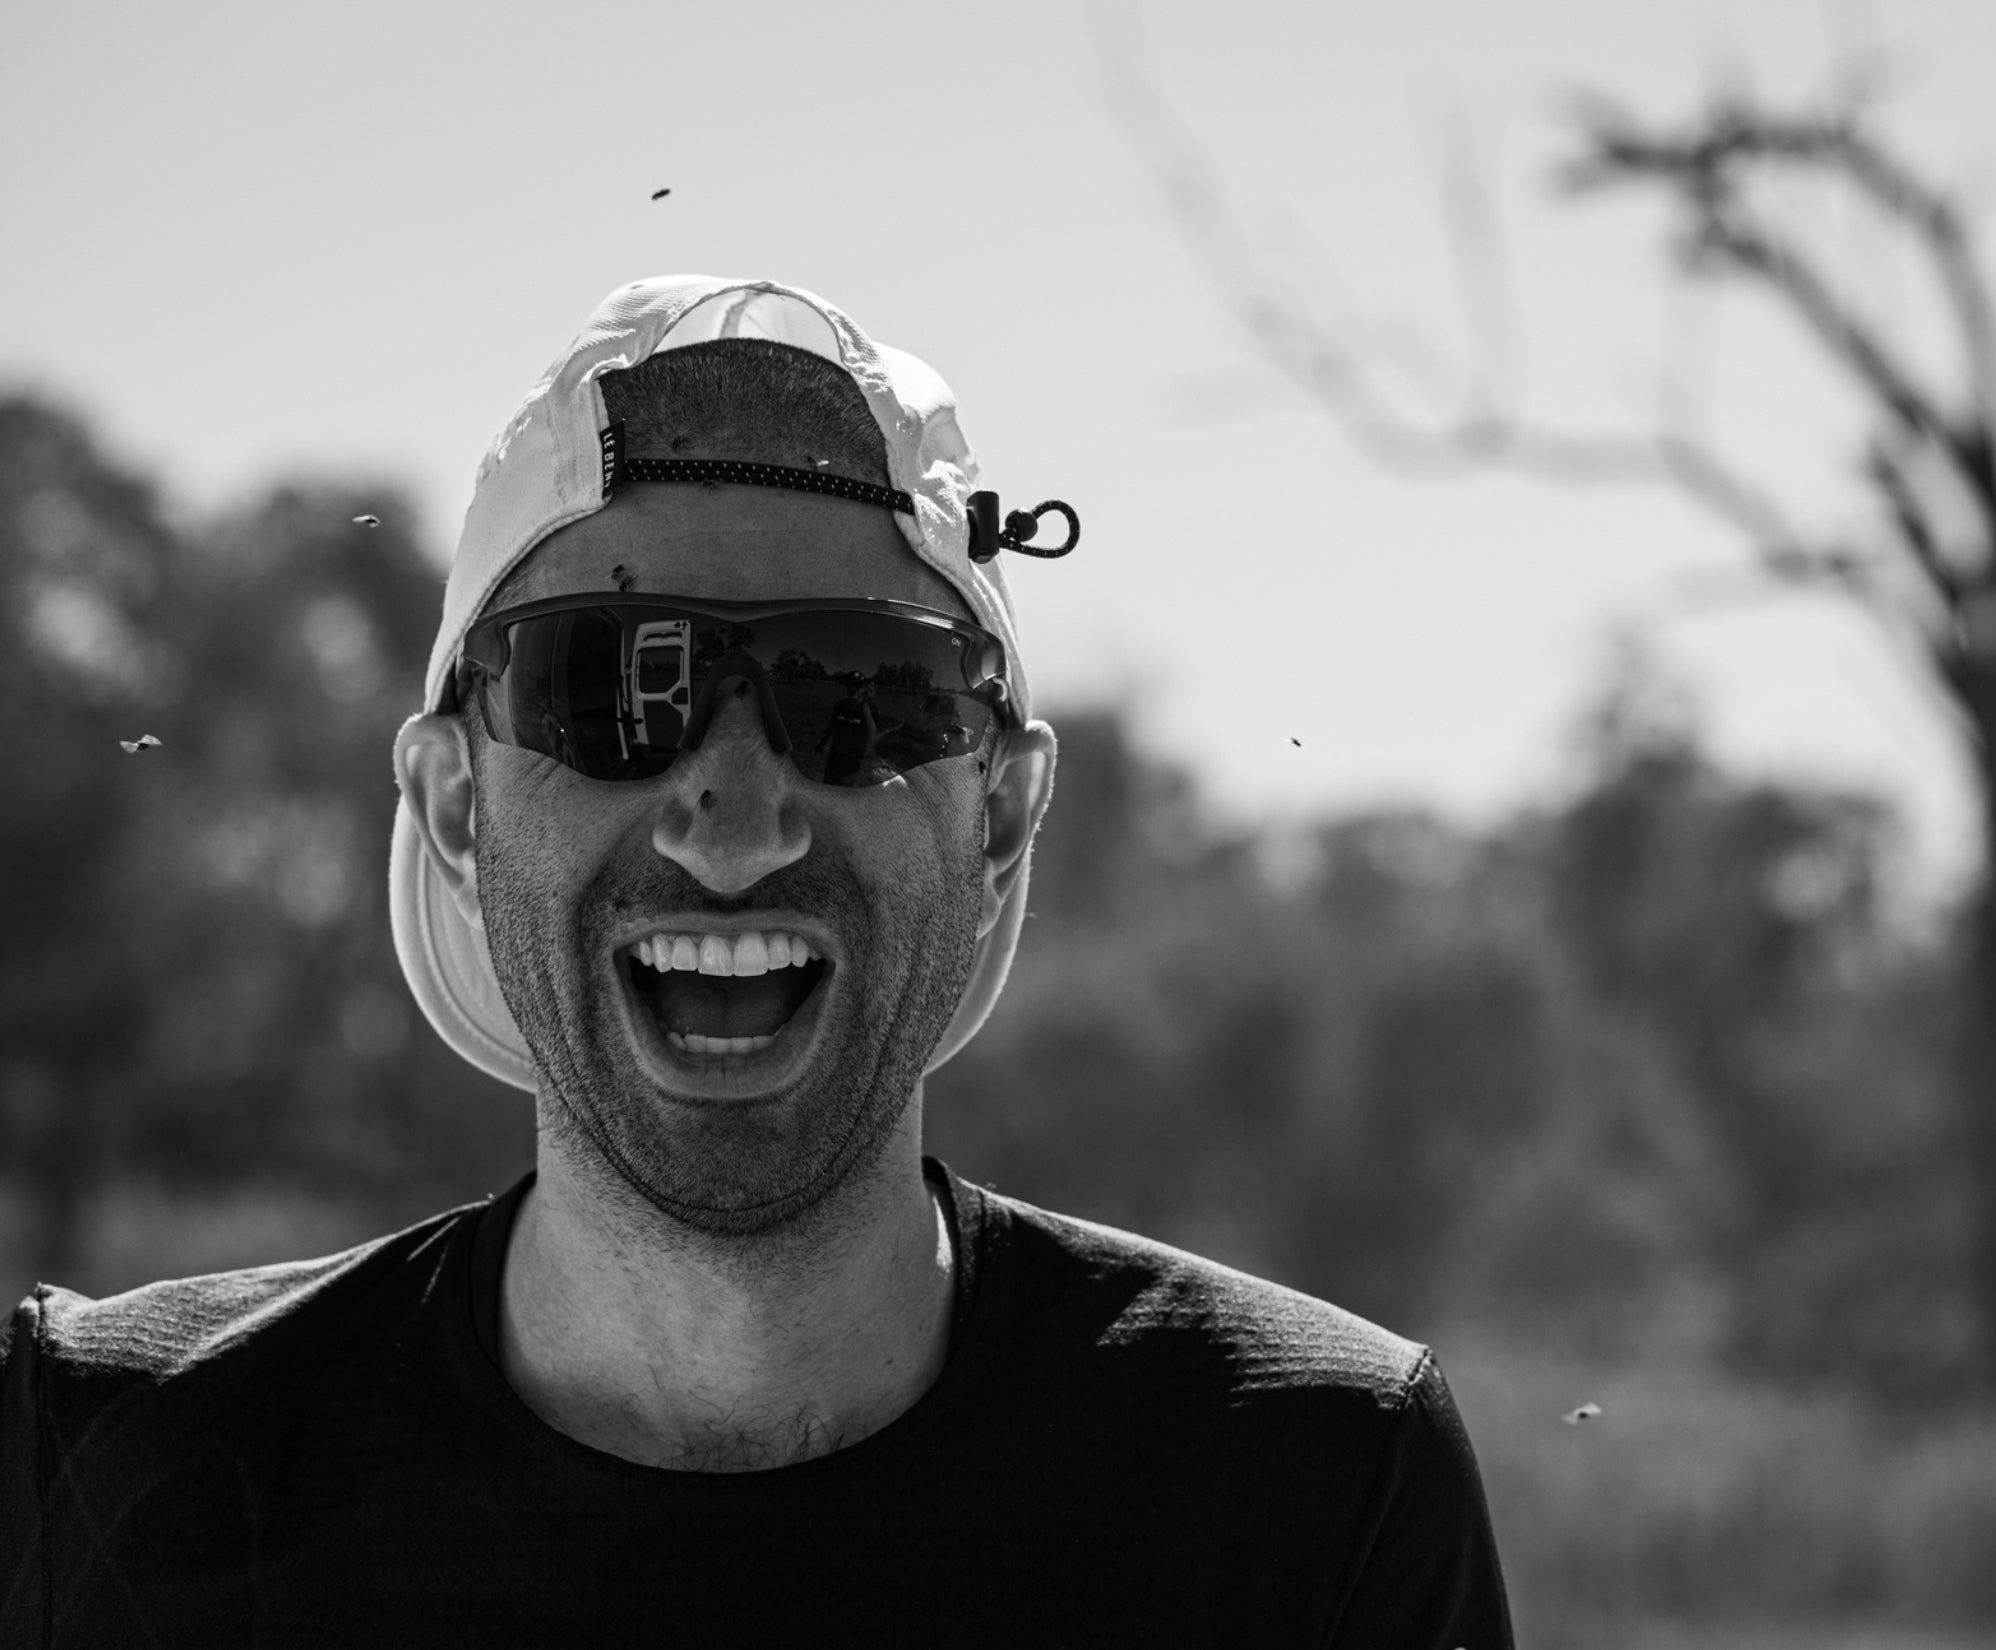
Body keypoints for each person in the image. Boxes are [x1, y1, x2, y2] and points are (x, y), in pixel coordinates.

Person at [0, 276, 1514, 1645]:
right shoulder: (97, 1462)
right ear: (454, 803)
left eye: (858, 692)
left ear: (1000, 812)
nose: (731, 827)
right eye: (611, 689)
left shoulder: (1315, 1484)